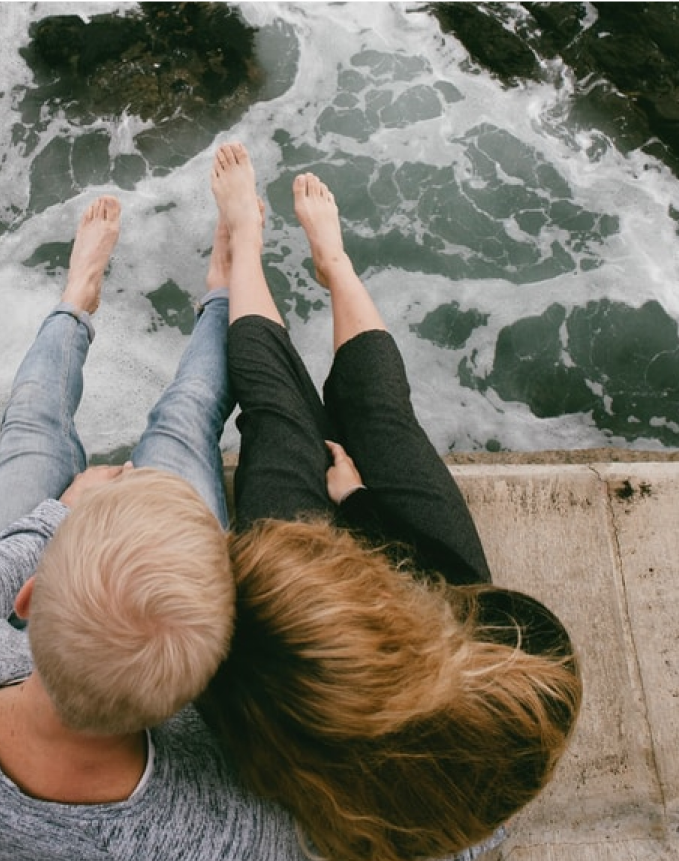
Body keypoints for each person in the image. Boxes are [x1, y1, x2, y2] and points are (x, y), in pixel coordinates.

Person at [0, 194, 309, 860]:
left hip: (14, 648)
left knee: (32, 434)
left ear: (24, 596)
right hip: (113, 663)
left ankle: (76, 301)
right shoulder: (222, 827)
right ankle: (221, 299)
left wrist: (59, 516)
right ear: (197, 693)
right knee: (185, 421)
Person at [196, 142, 583, 861]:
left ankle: (245, 247)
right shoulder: (504, 728)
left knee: (280, 419)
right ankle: (333, 265)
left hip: (309, 648)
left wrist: (337, 513)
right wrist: (362, 503)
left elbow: (234, 680)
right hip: (436, 584)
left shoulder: (284, 733)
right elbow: (448, 585)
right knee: (382, 414)